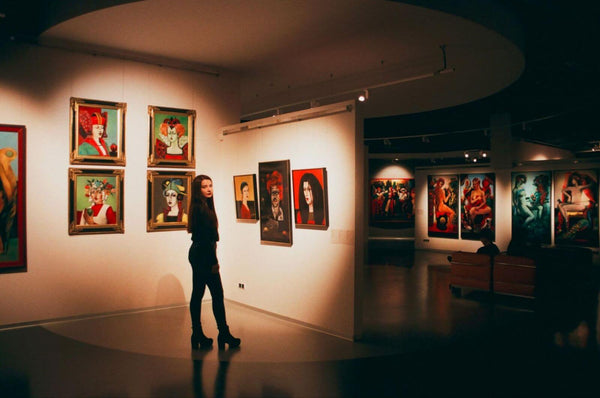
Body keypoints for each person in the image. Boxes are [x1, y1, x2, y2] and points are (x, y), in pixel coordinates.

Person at [188, 174, 240, 350]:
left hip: (198, 254)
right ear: (198, 190)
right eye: (204, 186)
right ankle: (222, 333)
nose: (209, 189)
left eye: (210, 185)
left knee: (198, 293)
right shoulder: (201, 209)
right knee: (217, 294)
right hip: (204, 255)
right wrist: (213, 262)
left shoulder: (201, 207)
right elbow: (206, 240)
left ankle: (197, 334)